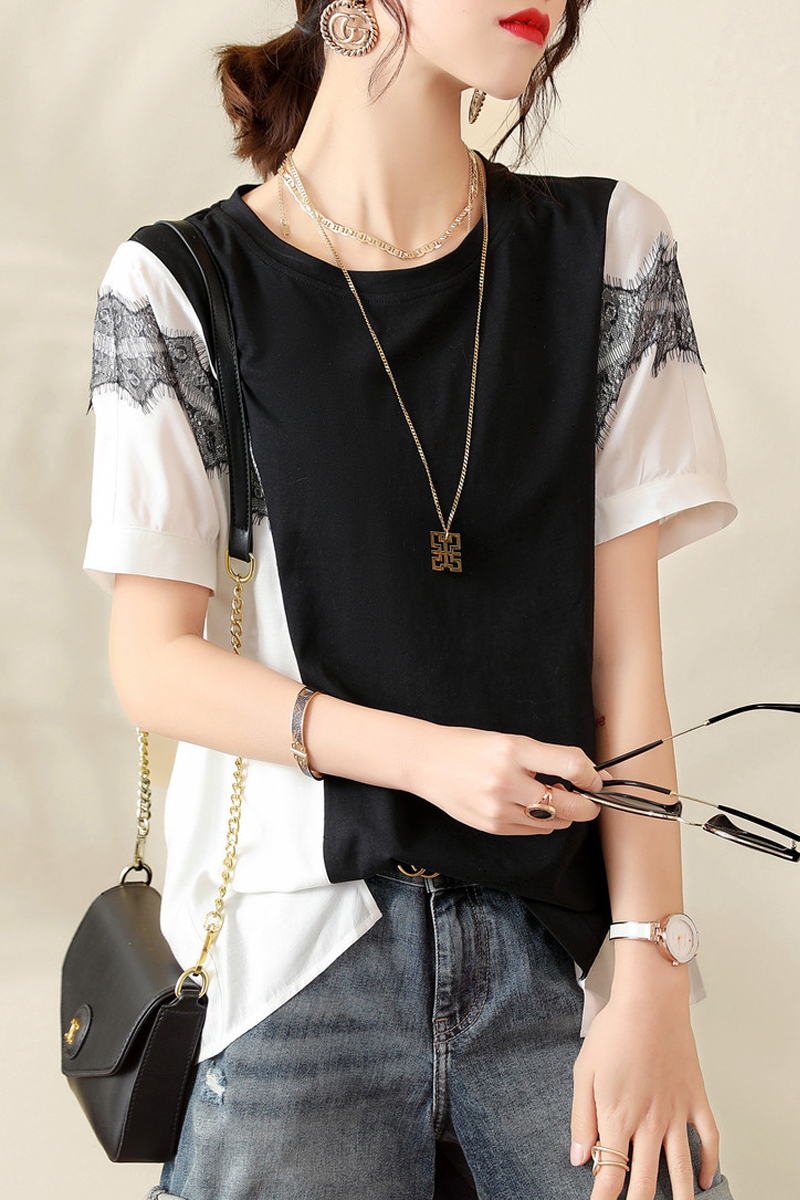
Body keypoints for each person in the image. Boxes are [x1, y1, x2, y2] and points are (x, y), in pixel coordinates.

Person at [83, 1, 738, 1197]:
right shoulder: (180, 283)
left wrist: (651, 957)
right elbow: (152, 663)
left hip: (556, 961)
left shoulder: (605, 250)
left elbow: (624, 661)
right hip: (296, 963)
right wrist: (430, 760)